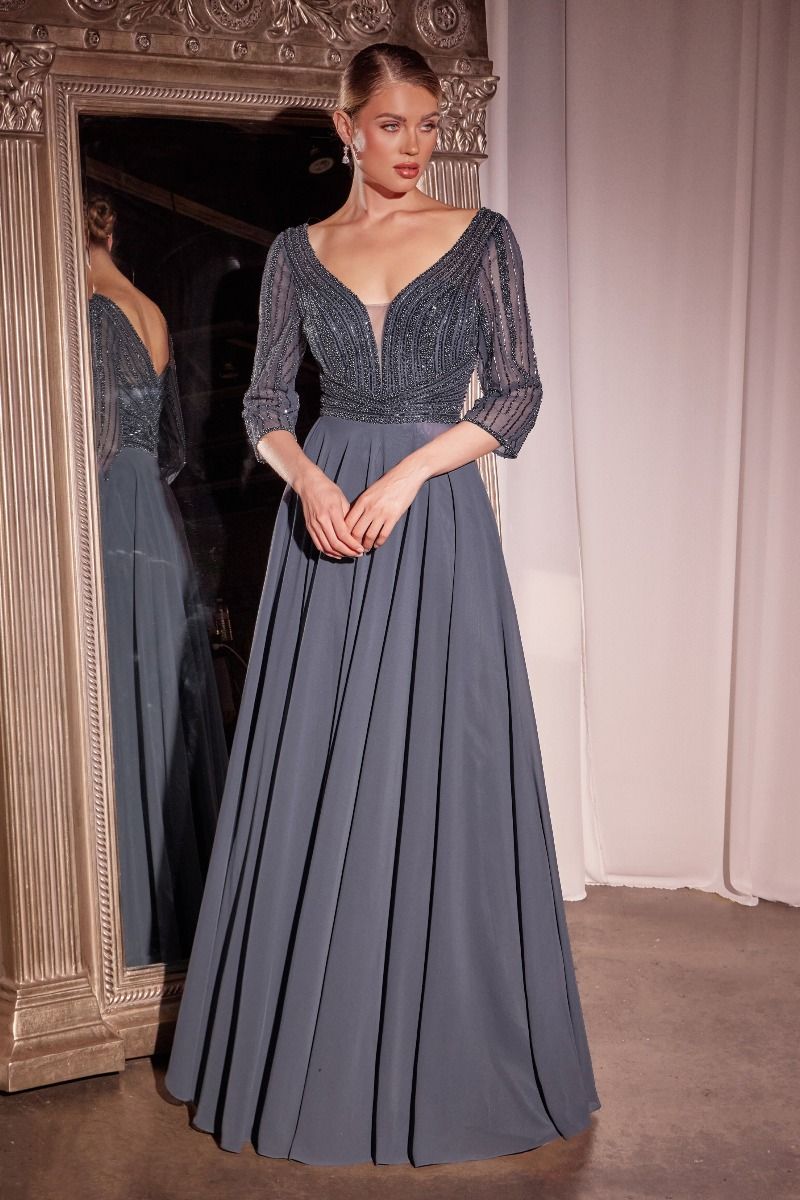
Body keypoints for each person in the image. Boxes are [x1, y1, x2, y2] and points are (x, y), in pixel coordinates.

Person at [165, 42, 601, 1165]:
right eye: (393, 124)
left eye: (427, 124)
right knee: (318, 769)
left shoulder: (482, 237)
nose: (415, 147)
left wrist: (406, 475)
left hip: (432, 520)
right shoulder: (294, 252)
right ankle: (314, 1039)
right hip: (324, 530)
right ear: (345, 126)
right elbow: (264, 400)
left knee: (442, 764)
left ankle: (447, 1045)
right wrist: (311, 482)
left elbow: (517, 393)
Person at [86, 196, 228, 966]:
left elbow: (96, 439)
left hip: (111, 513)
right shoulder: (150, 310)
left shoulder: (89, 311)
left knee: (116, 709)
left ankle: (128, 929)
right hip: (157, 520)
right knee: (157, 711)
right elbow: (170, 447)